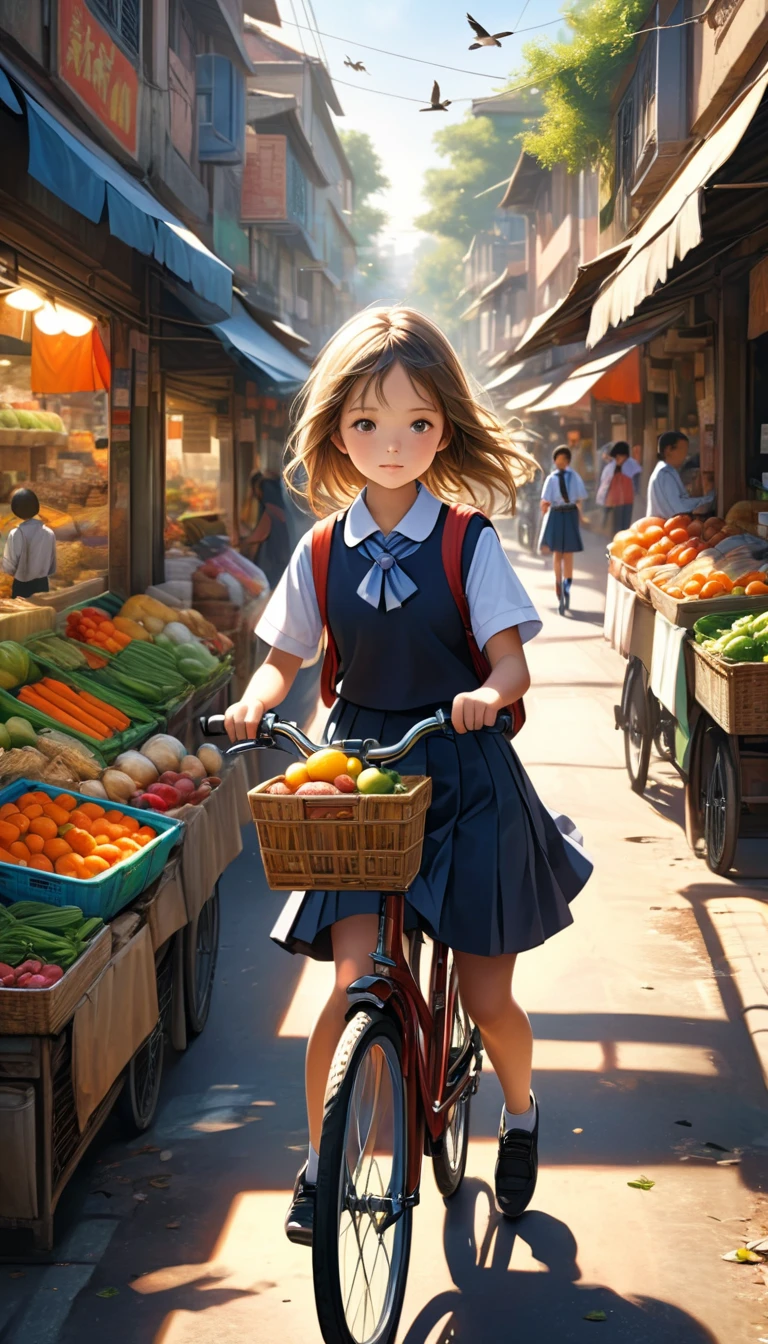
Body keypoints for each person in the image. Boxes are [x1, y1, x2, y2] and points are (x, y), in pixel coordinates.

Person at [225, 306, 592, 1245]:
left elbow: (512, 666)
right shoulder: (317, 550)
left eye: (417, 425)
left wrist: (486, 692)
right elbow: (284, 658)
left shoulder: (466, 541)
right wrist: (254, 701)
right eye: (368, 426)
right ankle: (319, 1164)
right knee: (351, 987)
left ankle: (519, 1110)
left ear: (447, 427)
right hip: (358, 777)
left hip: (465, 773)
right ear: (337, 432)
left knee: (486, 994)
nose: (392, 446)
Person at [539, 445, 587, 615]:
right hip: (556, 515)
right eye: (558, 458)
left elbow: (579, 499)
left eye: (564, 459)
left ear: (567, 461)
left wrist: (581, 518)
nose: (560, 461)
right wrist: (543, 514)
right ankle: (558, 582)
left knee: (569, 554)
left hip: (570, 514)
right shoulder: (551, 479)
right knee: (557, 552)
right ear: (554, 461)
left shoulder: (575, 477)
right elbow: (545, 501)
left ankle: (567, 584)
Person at [647, 430, 715, 519]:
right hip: (665, 528)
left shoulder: (665, 471)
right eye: (683, 450)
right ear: (669, 450)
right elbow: (679, 508)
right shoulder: (665, 474)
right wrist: (709, 499)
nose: (685, 455)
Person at [2, 488, 56, 598]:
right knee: (41, 610)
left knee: (24, 611)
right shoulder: (49, 533)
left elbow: (9, 565)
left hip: (22, 584)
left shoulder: (16, 533)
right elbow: (52, 564)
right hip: (42, 583)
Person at [596, 441, 636, 535]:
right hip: (615, 501)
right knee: (616, 528)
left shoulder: (629, 466)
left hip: (627, 500)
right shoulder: (609, 468)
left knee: (625, 527)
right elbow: (604, 483)